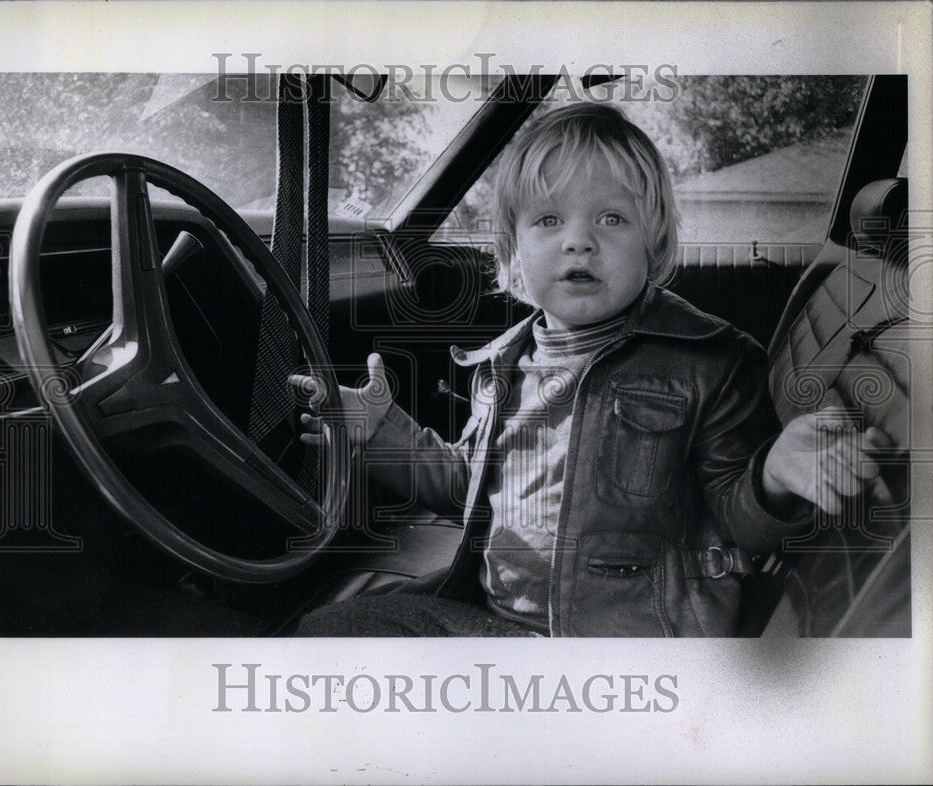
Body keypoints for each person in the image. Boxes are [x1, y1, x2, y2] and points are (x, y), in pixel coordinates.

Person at [289, 102, 890, 637]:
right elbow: (467, 487)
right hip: (500, 614)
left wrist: (773, 479)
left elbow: (741, 524)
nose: (579, 241)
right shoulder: (505, 365)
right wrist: (382, 430)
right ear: (512, 255)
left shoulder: (710, 362)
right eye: (549, 221)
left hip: (616, 644)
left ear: (652, 244)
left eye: (611, 219)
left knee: (328, 638)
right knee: (326, 631)